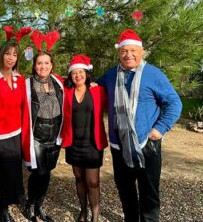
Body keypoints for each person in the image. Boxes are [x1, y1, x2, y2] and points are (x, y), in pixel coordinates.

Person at [97, 29, 182, 222]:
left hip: (146, 144)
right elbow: (93, 90)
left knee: (149, 190)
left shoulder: (153, 74)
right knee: (125, 189)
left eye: (133, 50)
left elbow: (174, 103)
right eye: (124, 51)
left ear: (141, 52)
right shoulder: (110, 75)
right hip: (119, 145)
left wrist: (160, 128)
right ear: (119, 53)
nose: (128, 55)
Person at [0, 26, 31, 222]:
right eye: (7, 54)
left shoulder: (20, 79)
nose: (11, 58)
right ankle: (1, 208)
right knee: (4, 174)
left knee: (15, 172)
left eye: (14, 55)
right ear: (1, 55)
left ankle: (13, 201)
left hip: (16, 133)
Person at [21, 30, 63, 222]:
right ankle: (30, 204)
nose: (43, 66)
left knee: (47, 173)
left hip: (55, 135)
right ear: (34, 65)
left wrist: (93, 83)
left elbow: (80, 83)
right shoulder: (27, 84)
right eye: (39, 63)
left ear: (52, 65)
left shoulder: (58, 82)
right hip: (36, 136)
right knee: (38, 172)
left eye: (47, 63)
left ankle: (39, 206)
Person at [61, 54, 108, 222]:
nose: (78, 76)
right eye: (74, 73)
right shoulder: (66, 91)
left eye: (81, 72)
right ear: (70, 75)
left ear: (87, 73)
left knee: (93, 182)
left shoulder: (98, 90)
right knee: (79, 178)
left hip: (93, 144)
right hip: (73, 144)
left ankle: (95, 215)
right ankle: (83, 211)